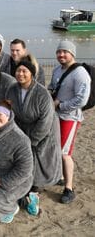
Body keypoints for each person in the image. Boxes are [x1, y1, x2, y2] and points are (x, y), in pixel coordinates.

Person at [6, 61, 62, 215]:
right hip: (23, 129)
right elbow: (9, 111)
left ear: (31, 73)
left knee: (39, 162)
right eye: (18, 71)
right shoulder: (12, 90)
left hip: (45, 131)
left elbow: (46, 120)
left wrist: (32, 140)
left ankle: (34, 195)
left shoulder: (42, 93)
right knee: (23, 161)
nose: (20, 74)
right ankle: (24, 190)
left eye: (24, 71)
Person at [48, 40, 91, 204]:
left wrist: (61, 105)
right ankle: (58, 176)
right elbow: (52, 87)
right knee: (56, 148)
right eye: (59, 52)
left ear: (72, 53)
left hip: (70, 118)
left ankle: (69, 188)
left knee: (65, 153)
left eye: (64, 52)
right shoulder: (57, 69)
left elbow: (82, 99)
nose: (61, 55)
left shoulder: (80, 73)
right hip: (56, 116)